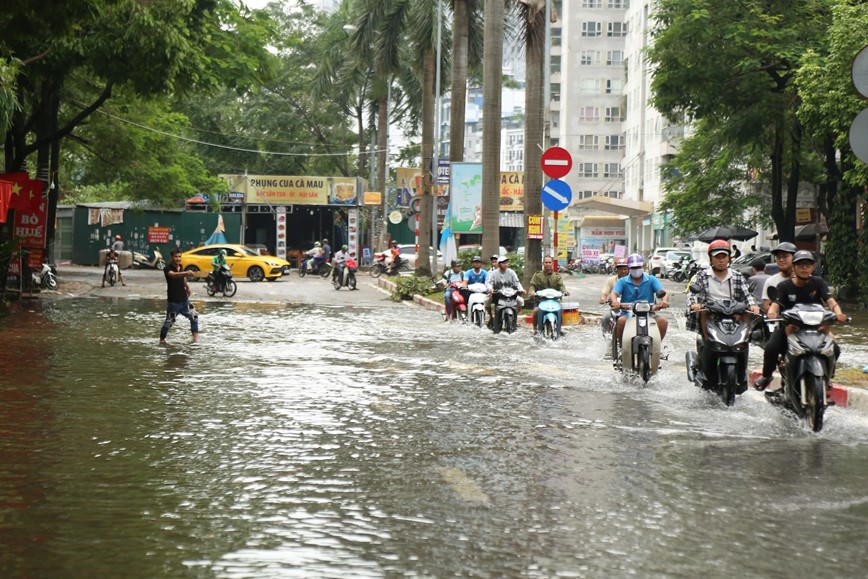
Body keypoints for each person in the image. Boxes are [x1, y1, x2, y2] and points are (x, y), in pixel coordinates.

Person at [753, 251, 846, 392]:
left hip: (816, 327)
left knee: (835, 349)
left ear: (813, 267)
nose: (804, 268)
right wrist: (772, 313)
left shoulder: (818, 283)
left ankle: (827, 376)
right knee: (771, 348)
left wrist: (838, 313)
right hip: (789, 327)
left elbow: (831, 301)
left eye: (807, 265)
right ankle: (766, 377)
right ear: (794, 267)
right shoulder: (784, 286)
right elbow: (776, 304)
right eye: (800, 265)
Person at [686, 240, 760, 339]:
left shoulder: (737, 276)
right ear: (711, 259)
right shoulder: (701, 275)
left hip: (733, 311)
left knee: (746, 313)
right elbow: (692, 293)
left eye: (724, 257)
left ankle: (744, 342)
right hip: (711, 312)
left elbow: (747, 294)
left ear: (729, 258)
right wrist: (694, 304)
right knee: (703, 313)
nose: (721, 260)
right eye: (717, 257)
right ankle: (706, 340)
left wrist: (753, 305)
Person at [609, 253, 670, 347]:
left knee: (663, 322)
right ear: (629, 268)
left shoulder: (651, 279)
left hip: (649, 312)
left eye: (638, 267)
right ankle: (622, 347)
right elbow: (614, 293)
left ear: (642, 267)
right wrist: (615, 302)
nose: (636, 269)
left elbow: (662, 292)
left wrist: (664, 301)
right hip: (628, 312)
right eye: (633, 268)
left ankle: (656, 347)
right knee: (621, 322)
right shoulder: (623, 281)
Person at [159, 248, 198, 344]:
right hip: (173, 303)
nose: (178, 259)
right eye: (176, 257)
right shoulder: (167, 268)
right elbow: (174, 275)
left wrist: (187, 286)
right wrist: (186, 273)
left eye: (179, 257)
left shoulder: (181, 266)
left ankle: (195, 340)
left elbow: (182, 278)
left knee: (194, 315)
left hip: (185, 301)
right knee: (169, 322)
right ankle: (162, 340)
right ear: (172, 257)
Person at [528, 255, 570, 332]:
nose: (548, 264)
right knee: (536, 311)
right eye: (546, 262)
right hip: (540, 300)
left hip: (554, 300)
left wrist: (564, 291)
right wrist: (532, 292)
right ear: (543, 263)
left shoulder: (557, 276)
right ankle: (534, 328)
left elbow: (561, 286)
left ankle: (560, 328)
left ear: (552, 264)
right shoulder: (537, 275)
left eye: (549, 262)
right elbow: (532, 286)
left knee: (560, 310)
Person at [485, 255, 525, 327]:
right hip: (497, 294)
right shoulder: (494, 273)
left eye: (506, 262)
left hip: (510, 294)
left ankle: (514, 316)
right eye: (503, 263)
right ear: (499, 264)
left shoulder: (511, 272)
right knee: (487, 301)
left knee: (521, 301)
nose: (505, 264)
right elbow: (489, 282)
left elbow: (517, 282)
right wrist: (490, 289)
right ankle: (491, 316)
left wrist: (521, 289)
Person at [761, 242, 797, 312]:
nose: (781, 259)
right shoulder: (770, 281)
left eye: (785, 256)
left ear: (794, 258)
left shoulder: (804, 280)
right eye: (778, 257)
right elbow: (767, 306)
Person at [599, 257, 629, 332]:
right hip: (616, 309)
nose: (623, 271)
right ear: (617, 270)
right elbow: (605, 293)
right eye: (621, 269)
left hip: (630, 308)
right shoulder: (611, 280)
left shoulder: (634, 280)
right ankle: (608, 336)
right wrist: (603, 298)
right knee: (606, 318)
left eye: (625, 269)